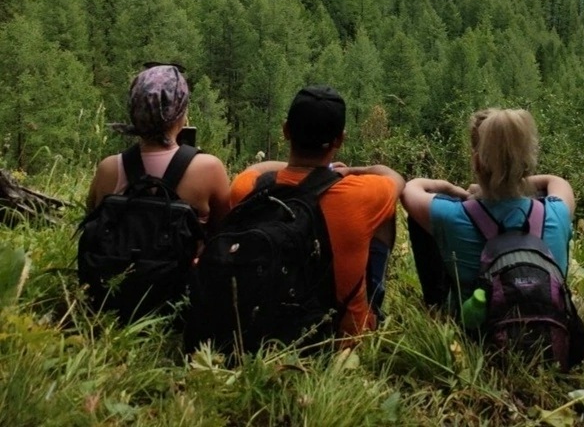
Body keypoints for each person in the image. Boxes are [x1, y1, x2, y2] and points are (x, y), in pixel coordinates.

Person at [229, 84, 405, 336]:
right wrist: (342, 171)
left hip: (257, 329)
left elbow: (257, 168)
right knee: (385, 213)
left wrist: (301, 169)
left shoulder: (247, 188)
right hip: (338, 340)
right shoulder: (358, 195)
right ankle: (373, 300)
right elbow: (394, 177)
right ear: (339, 140)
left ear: (286, 130)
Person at [401, 107, 575, 310]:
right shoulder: (557, 212)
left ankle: (436, 305)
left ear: (477, 162)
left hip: (477, 326)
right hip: (552, 324)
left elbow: (410, 189)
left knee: (420, 219)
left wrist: (452, 189)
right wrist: (517, 178)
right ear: (527, 163)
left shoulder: (452, 215)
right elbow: (555, 181)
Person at [87, 62, 231, 235]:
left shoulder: (108, 169)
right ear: (181, 113)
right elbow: (225, 233)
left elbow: (93, 224)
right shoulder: (209, 169)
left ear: (134, 111)